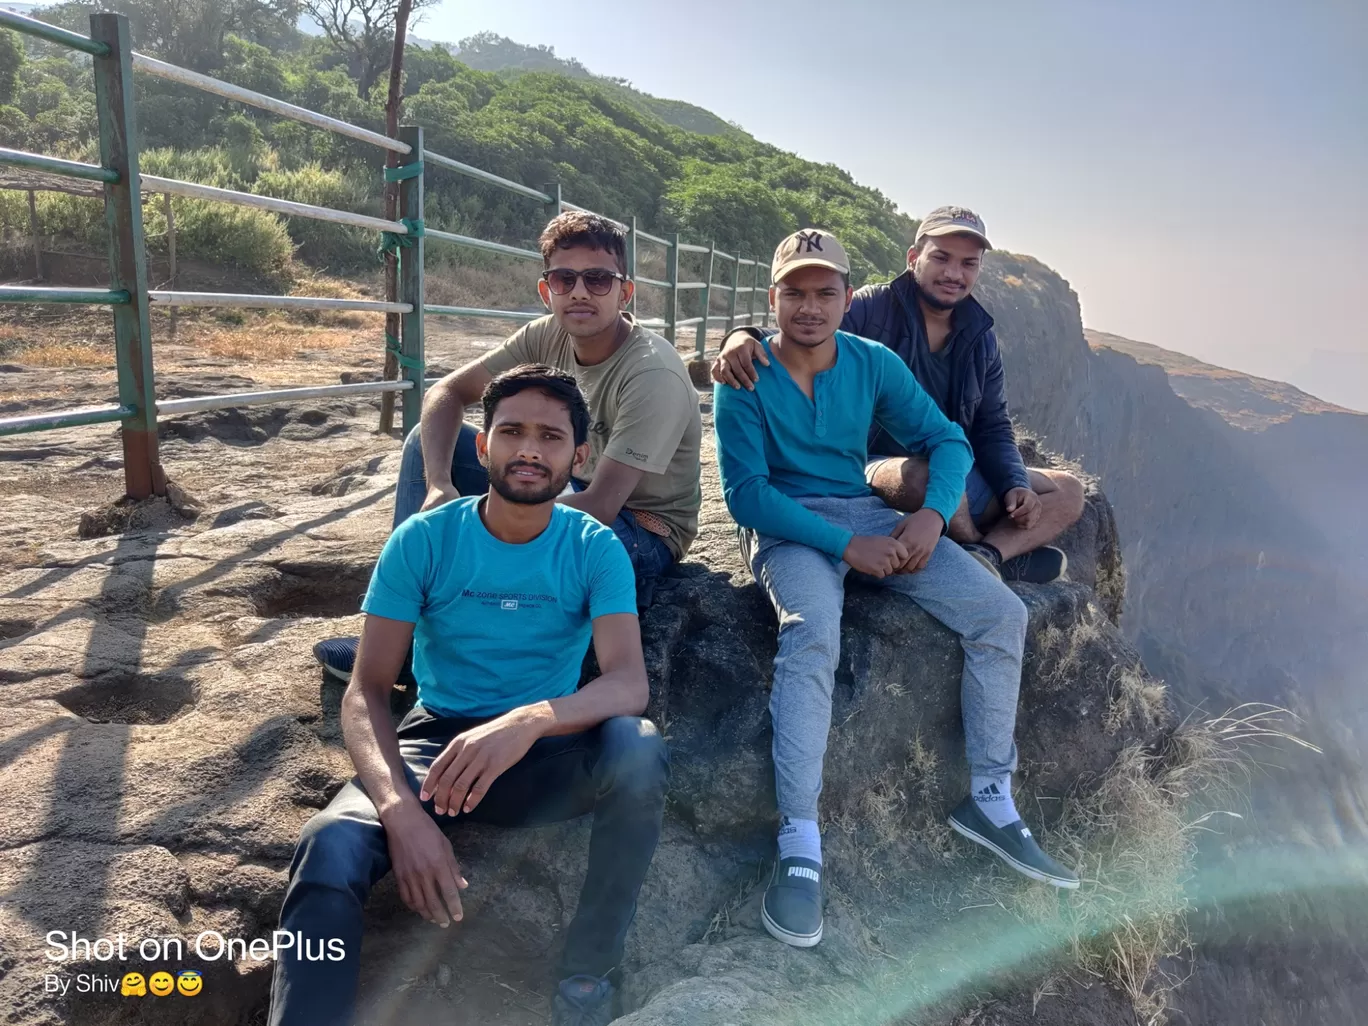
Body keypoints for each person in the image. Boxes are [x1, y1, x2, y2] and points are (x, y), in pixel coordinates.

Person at [271, 365, 669, 1026]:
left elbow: (629, 683)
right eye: (511, 432)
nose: (530, 450)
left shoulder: (596, 547)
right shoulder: (425, 540)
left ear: (581, 457)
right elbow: (367, 689)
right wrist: (400, 812)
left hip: (547, 751)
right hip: (437, 745)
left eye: (550, 436)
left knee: (639, 747)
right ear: (483, 448)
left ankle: (587, 973)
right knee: (329, 842)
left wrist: (530, 720)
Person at [713, 229, 1078, 949]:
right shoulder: (745, 376)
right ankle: (799, 842)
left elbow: (948, 440)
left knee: (1001, 615)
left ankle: (990, 799)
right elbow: (747, 496)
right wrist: (848, 545)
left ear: (849, 299)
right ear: (772, 298)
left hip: (869, 512)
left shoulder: (872, 362)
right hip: (792, 529)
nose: (810, 307)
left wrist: (931, 519)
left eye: (825, 292)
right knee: (813, 632)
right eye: (795, 291)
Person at [314, 210, 703, 682]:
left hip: (641, 525)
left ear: (625, 291)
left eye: (599, 279)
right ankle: (395, 635)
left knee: (515, 543)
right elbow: (448, 394)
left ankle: (435, 663)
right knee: (428, 443)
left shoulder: (651, 373)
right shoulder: (548, 334)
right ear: (546, 290)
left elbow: (599, 506)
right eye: (565, 278)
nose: (580, 291)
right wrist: (438, 488)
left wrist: (479, 525)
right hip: (566, 480)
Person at [711, 206, 1085, 584]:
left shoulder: (980, 336)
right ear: (913, 258)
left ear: (978, 270)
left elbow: (992, 425)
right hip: (877, 462)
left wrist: (1014, 483)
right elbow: (807, 326)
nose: (953, 273)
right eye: (941, 257)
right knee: (931, 482)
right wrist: (742, 336)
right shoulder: (873, 308)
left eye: (968, 263)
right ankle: (971, 547)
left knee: (1069, 490)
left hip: (947, 452)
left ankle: (989, 555)